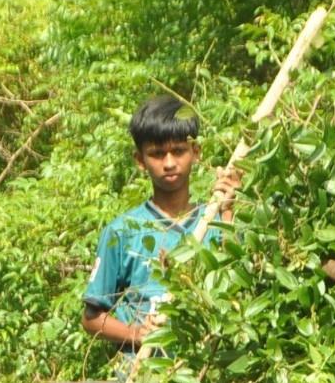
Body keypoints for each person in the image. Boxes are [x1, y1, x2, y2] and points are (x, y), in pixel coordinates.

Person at [79, 95, 240, 355]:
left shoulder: (217, 221)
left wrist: (228, 209)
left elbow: (239, 287)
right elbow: (91, 318)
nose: (168, 163)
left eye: (178, 151)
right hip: (140, 381)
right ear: (140, 160)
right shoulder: (122, 232)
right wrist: (137, 334)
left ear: (196, 152)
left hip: (207, 375)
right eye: (156, 154)